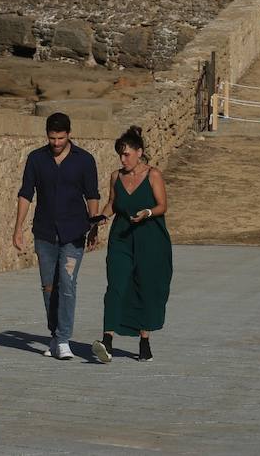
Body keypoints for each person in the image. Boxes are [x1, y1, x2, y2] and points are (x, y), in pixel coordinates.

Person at [13, 112, 101, 361]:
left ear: (69, 134)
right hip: (44, 232)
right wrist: (17, 228)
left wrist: (94, 226)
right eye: (52, 138)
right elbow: (25, 194)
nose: (56, 143)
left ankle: (63, 339)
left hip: (74, 233)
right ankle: (54, 335)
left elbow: (92, 195)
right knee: (49, 287)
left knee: (67, 284)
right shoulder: (36, 159)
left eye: (61, 138)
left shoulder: (84, 160)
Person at [93, 126, 172, 365]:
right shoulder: (116, 177)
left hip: (151, 238)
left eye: (127, 154)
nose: (123, 159)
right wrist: (101, 218)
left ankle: (144, 340)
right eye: (120, 154)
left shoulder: (153, 175)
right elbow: (112, 203)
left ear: (139, 152)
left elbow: (162, 206)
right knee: (115, 284)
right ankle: (107, 340)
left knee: (145, 286)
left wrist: (147, 212)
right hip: (122, 237)